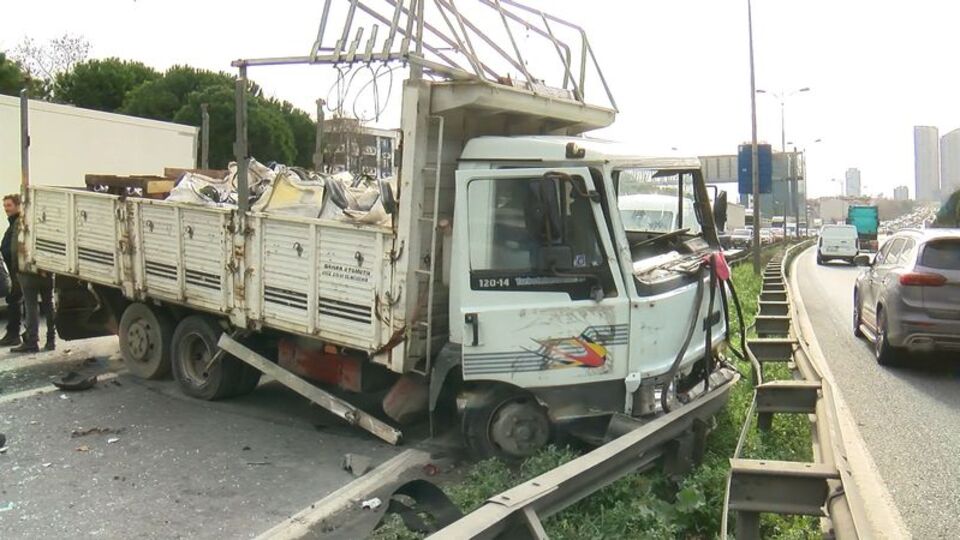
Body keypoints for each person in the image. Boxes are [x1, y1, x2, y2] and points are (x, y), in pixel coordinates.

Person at [1, 194, 22, 347]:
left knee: (15, 300)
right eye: (4, 206)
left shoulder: (18, 223)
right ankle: (13, 333)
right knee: (14, 300)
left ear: (18, 206)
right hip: (13, 270)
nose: (5, 209)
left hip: (18, 270)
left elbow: (16, 248)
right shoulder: (12, 224)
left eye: (9, 205)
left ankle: (13, 335)